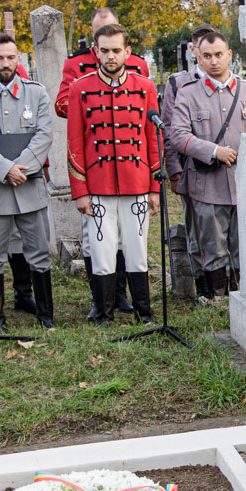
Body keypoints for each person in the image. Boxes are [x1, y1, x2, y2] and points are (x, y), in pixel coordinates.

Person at [65, 22, 161, 323]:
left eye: (116, 50)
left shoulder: (145, 87)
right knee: (103, 250)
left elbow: (151, 140)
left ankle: (143, 312)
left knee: (137, 249)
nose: (110, 56)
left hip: (136, 182)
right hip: (98, 183)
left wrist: (155, 188)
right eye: (104, 50)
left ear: (127, 52)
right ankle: (104, 312)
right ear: (95, 51)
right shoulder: (79, 88)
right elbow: (74, 144)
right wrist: (80, 191)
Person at [0, 33, 57, 328]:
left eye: (11, 57)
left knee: (39, 253)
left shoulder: (36, 93)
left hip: (29, 188)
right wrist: (5, 170)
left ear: (19, 58)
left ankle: (45, 315)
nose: (5, 63)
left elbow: (44, 135)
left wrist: (23, 168)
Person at [166, 26, 246, 299]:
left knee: (242, 245)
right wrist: (213, 151)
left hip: (243, 183)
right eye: (207, 55)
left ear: (229, 55)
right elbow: (177, 135)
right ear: (198, 58)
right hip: (207, 184)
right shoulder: (188, 93)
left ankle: (242, 298)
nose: (214, 61)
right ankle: (216, 299)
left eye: (219, 54)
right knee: (212, 245)